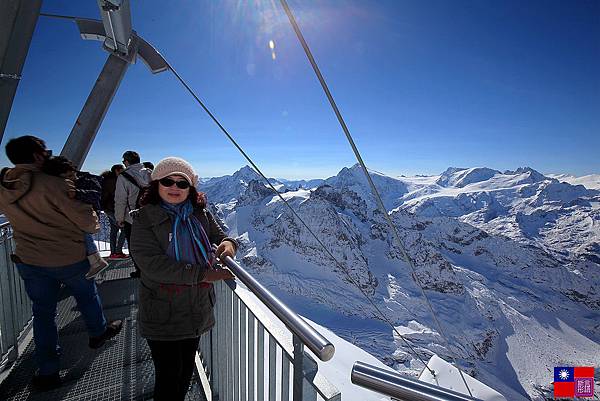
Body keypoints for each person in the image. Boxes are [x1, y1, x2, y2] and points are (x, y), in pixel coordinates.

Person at [0, 136, 122, 390]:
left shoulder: (4, 185)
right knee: (87, 296)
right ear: (36, 156)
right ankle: (98, 332)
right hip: (67, 257)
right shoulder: (52, 185)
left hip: (30, 259)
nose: (47, 155)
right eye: (44, 151)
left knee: (43, 313)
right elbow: (89, 224)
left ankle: (48, 370)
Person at [130, 157, 237, 401]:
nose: (175, 187)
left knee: (185, 370)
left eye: (182, 183)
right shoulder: (144, 219)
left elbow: (220, 235)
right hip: (163, 310)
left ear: (191, 188)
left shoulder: (199, 214)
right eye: (168, 181)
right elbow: (152, 265)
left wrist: (229, 244)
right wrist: (204, 274)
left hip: (196, 307)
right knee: (168, 376)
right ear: (156, 184)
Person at [41, 156, 108, 279]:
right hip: (77, 219)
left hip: (83, 218)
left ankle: (95, 263)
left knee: (81, 233)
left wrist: (77, 193)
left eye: (71, 175)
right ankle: (94, 264)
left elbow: (95, 195)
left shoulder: (86, 180)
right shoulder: (62, 184)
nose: (72, 179)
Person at [114, 150, 151, 277]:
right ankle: (153, 268)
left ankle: (140, 271)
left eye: (123, 161)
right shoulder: (150, 173)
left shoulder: (123, 176)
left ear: (127, 161)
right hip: (151, 215)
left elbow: (120, 199)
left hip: (132, 217)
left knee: (134, 245)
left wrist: (119, 218)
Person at [101, 164, 127, 259]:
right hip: (112, 208)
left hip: (107, 208)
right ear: (117, 170)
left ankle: (113, 252)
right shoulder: (114, 181)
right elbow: (118, 196)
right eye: (122, 170)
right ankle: (118, 251)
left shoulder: (107, 180)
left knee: (114, 230)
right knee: (124, 229)